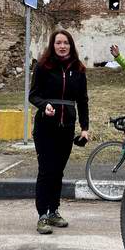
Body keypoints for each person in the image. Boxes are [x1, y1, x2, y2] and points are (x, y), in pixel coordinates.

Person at [29, 30, 89, 235]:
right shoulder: (43, 67)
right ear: (52, 45)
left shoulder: (79, 69)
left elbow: (82, 100)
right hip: (45, 127)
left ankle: (53, 211)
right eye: (58, 43)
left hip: (67, 127)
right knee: (46, 171)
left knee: (58, 172)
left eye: (66, 43)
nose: (62, 46)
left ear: (71, 46)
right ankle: (42, 215)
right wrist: (44, 105)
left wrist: (85, 128)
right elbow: (33, 95)